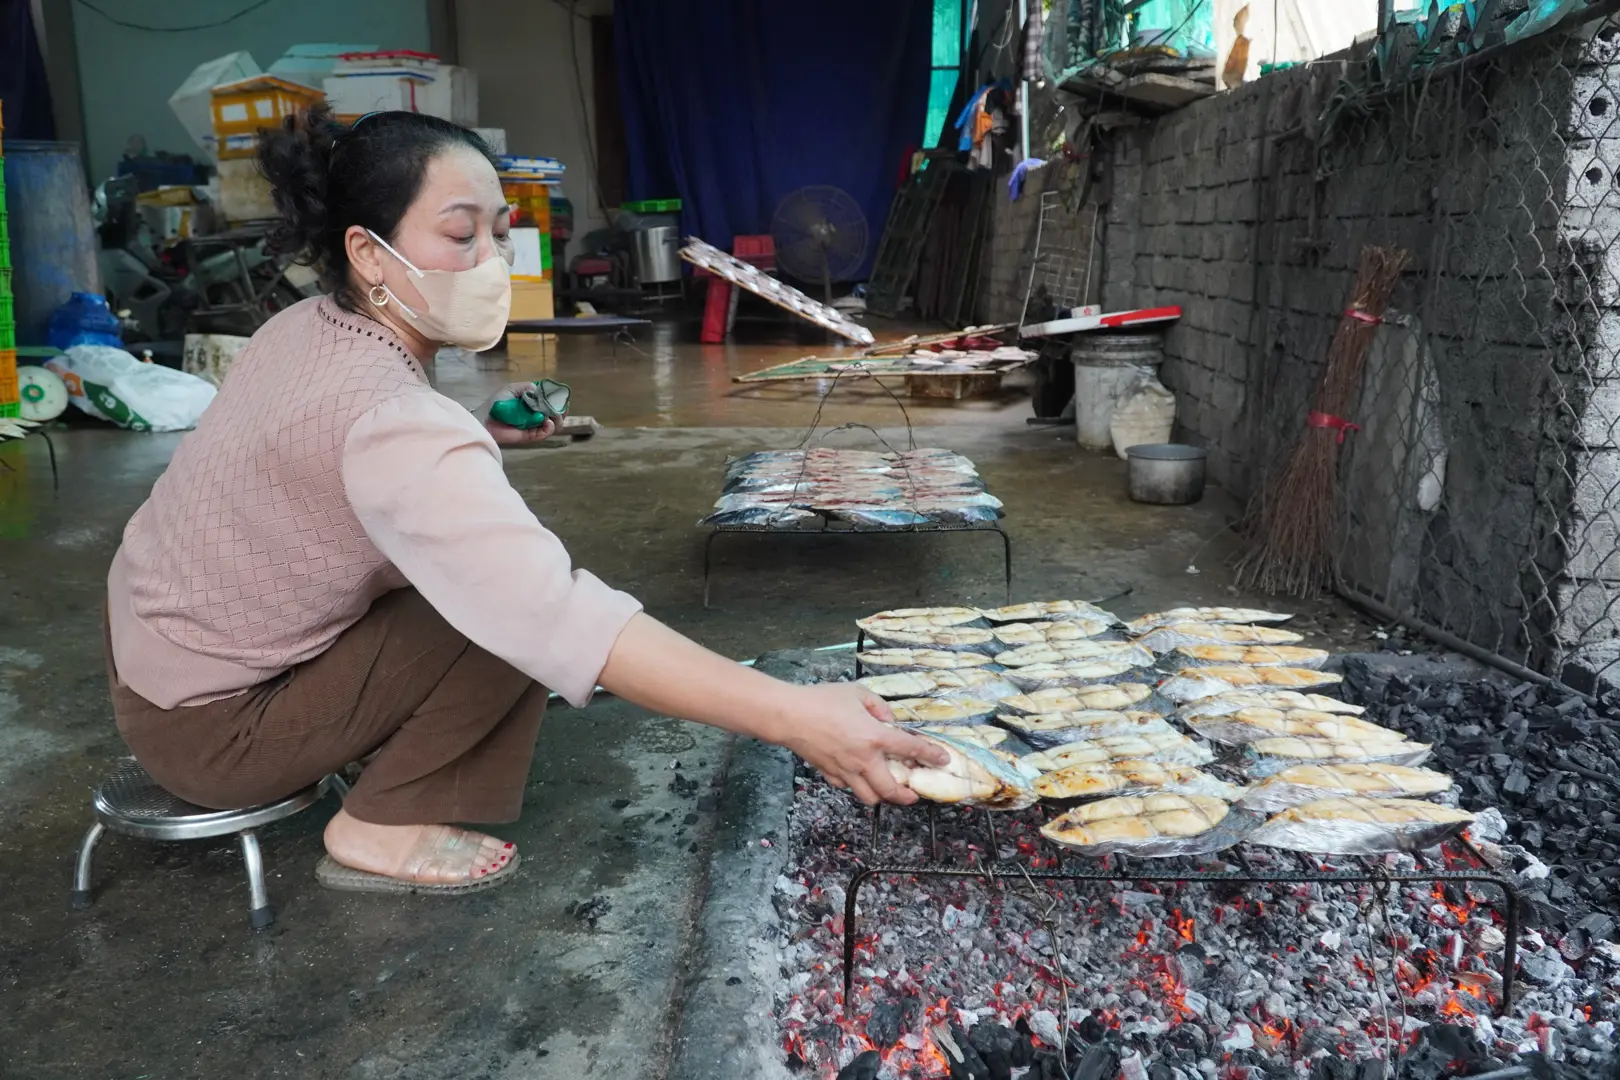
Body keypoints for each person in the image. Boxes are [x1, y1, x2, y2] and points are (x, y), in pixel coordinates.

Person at [103, 104, 946, 895]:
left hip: (157, 662)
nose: (491, 261)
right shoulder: (395, 421)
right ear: (368, 252)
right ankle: (376, 826)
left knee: (478, 586)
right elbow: (556, 619)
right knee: (502, 628)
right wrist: (796, 716)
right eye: (459, 235)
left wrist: (475, 428)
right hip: (213, 730)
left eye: (500, 233)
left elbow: (315, 459)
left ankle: (360, 745)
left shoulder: (302, 328)